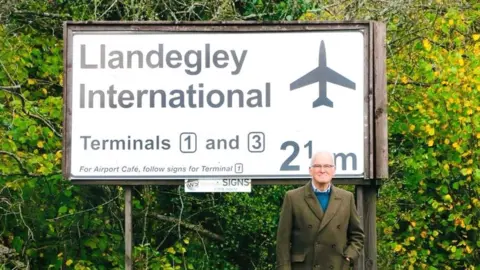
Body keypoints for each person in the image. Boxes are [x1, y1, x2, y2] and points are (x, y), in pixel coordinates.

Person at [275, 151, 364, 270]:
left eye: (327, 166)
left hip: (337, 265)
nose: (322, 170)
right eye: (317, 166)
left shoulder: (346, 198)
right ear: (310, 170)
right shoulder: (293, 197)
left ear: (334, 170)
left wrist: (349, 256)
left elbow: (357, 235)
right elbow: (283, 240)